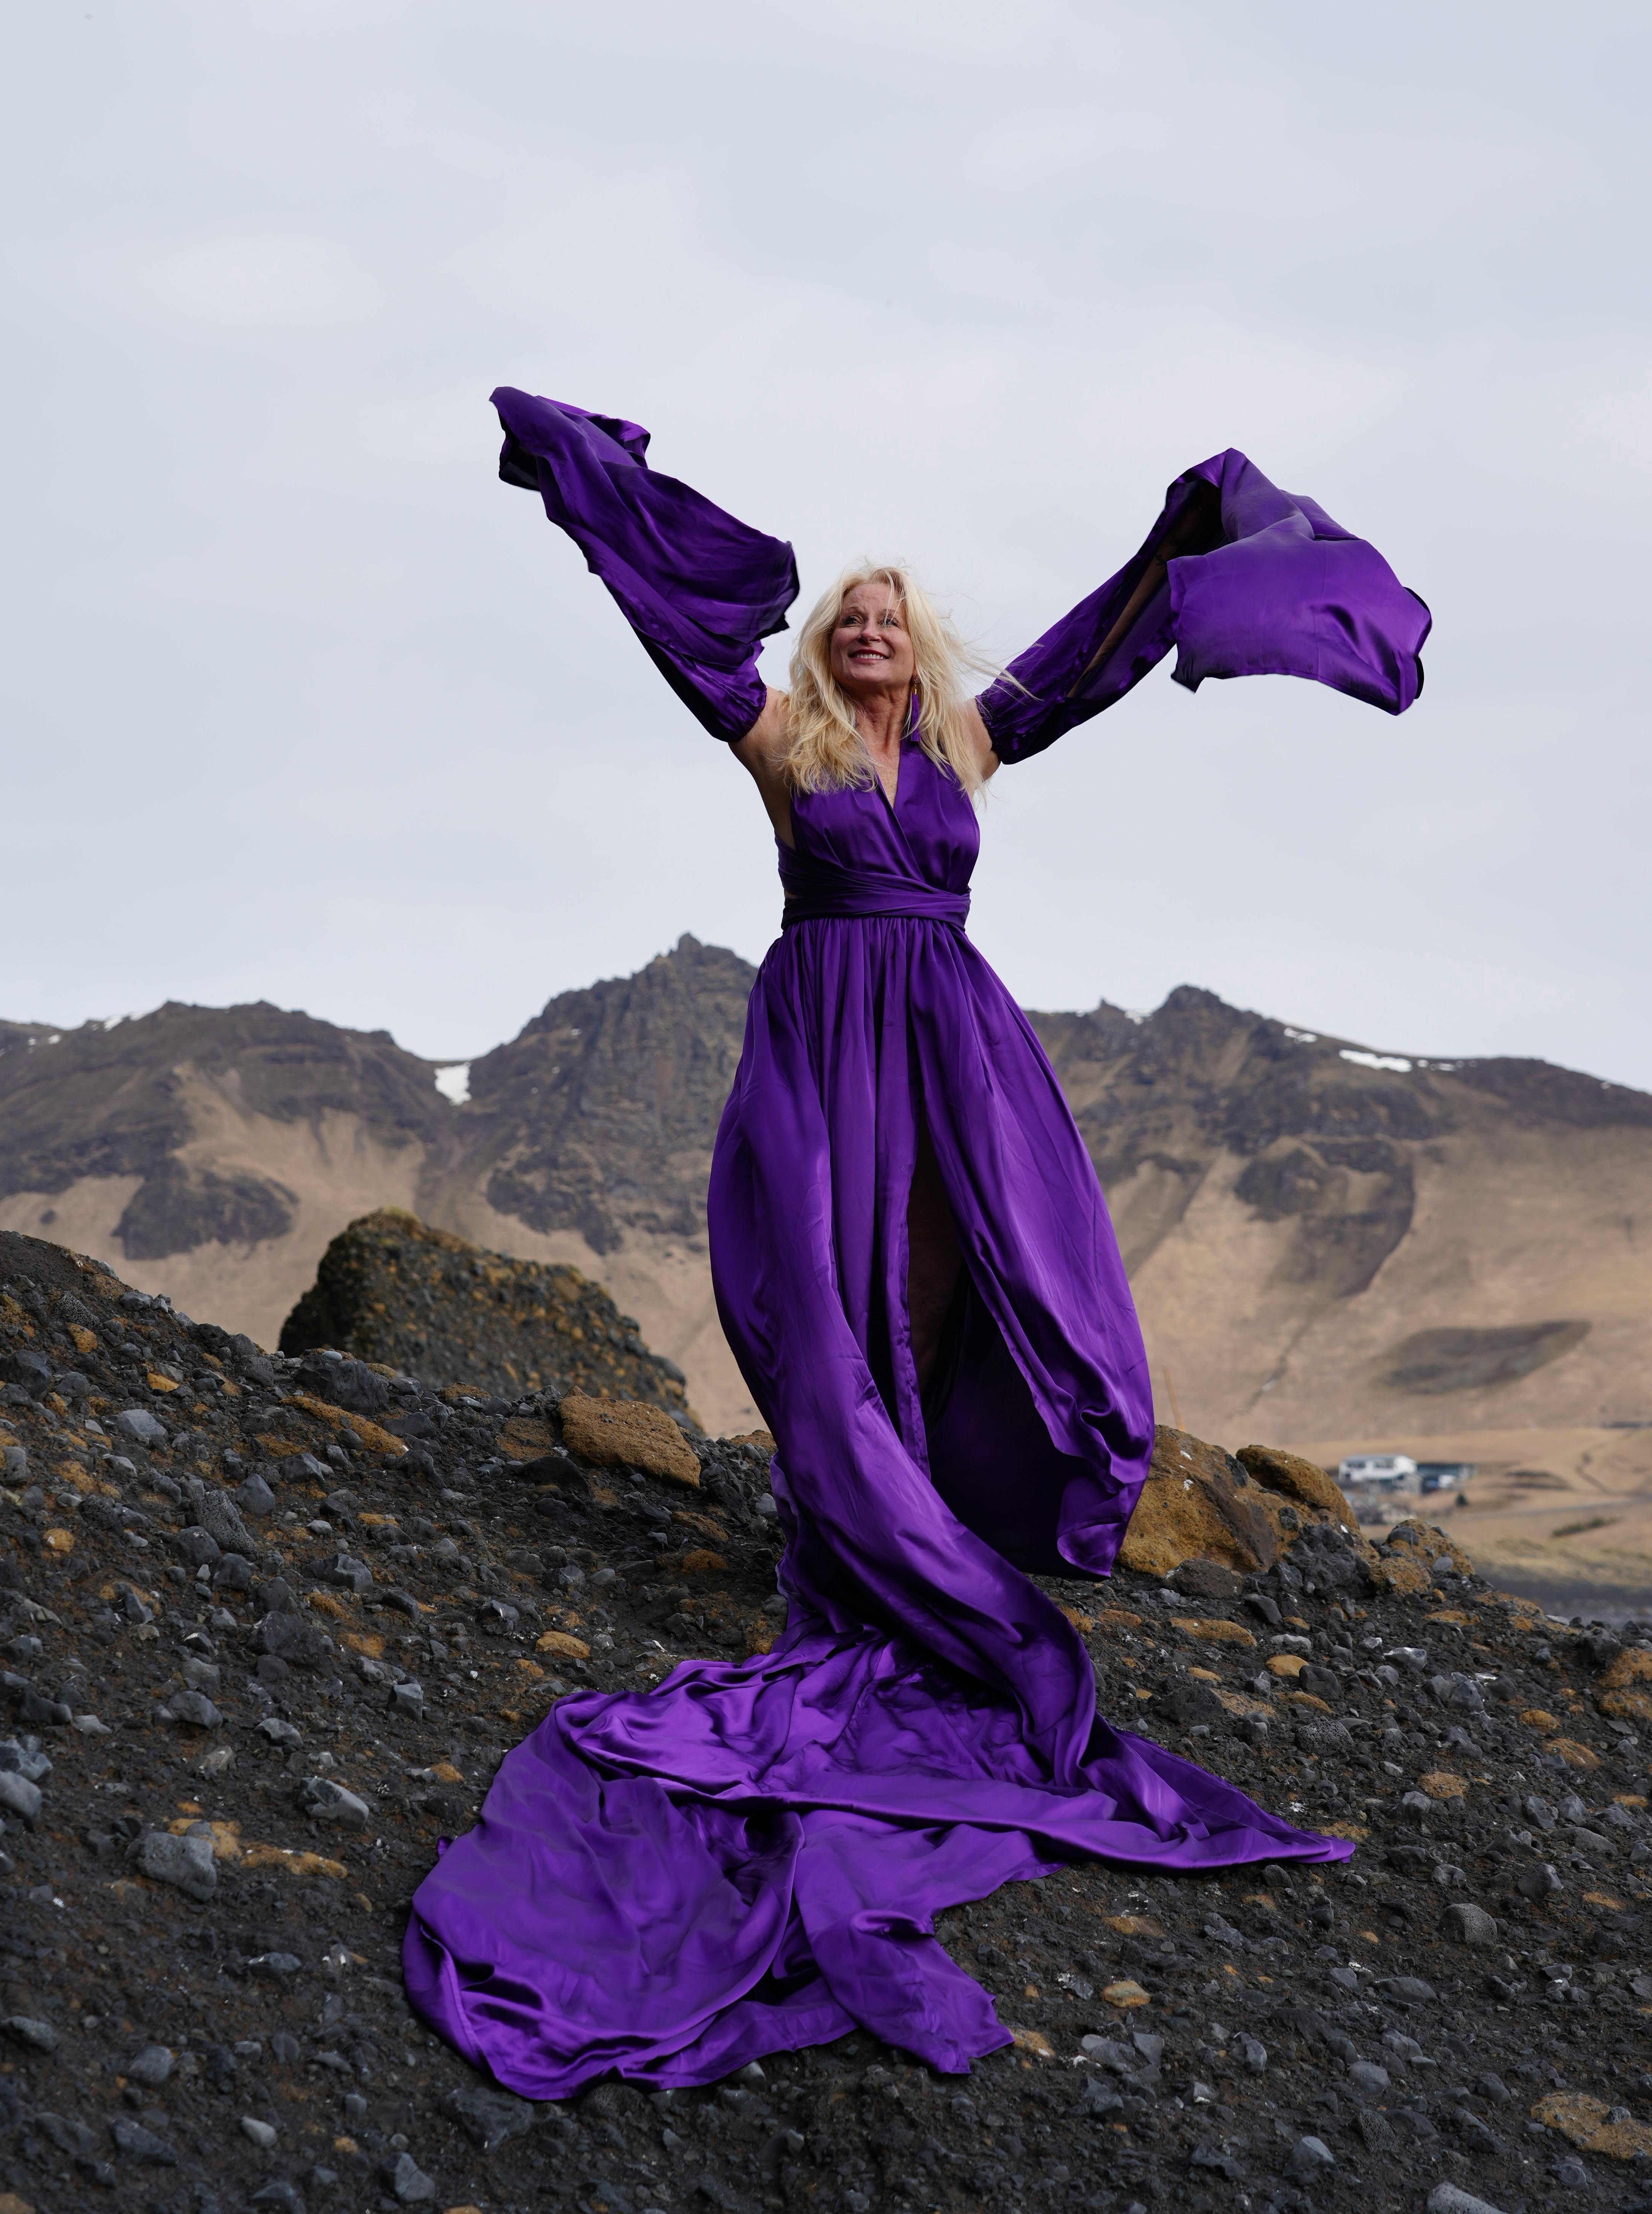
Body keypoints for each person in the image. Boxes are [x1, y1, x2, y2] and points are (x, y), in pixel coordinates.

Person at [402, 392, 1432, 2098]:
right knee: (822, 1305)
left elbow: (1098, 650)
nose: (869, 625)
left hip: (949, 1035)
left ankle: (939, 1541)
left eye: (891, 611)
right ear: (825, 646)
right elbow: (668, 622)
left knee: (975, 1293)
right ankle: (874, 1561)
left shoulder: (967, 740)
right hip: (819, 1038)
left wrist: (1182, 537)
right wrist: (587, 489)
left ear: (918, 641)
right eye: (848, 613)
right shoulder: (775, 742)